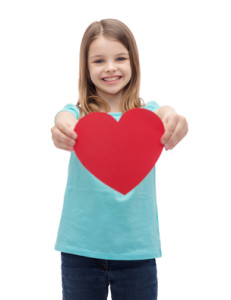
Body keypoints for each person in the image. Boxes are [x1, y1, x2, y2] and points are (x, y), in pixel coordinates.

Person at [51, 18, 188, 300]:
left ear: (133, 63)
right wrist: (61, 129)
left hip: (137, 251)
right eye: (99, 60)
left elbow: (166, 114)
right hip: (81, 250)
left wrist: (174, 117)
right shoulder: (77, 115)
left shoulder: (149, 115)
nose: (111, 67)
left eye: (120, 58)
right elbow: (62, 120)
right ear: (86, 68)